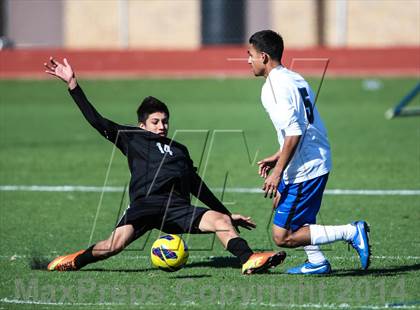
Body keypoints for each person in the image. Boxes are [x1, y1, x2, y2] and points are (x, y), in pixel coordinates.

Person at [44, 57, 286, 275]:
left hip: (176, 209)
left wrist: (225, 212)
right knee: (111, 247)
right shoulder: (132, 137)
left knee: (220, 222)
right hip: (144, 207)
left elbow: (196, 185)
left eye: (165, 121)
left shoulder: (179, 149)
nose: (161, 126)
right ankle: (74, 261)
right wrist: (73, 85)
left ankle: (249, 259)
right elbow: (97, 121)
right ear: (142, 125)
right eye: (155, 122)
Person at [247, 30, 371, 274]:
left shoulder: (272, 89)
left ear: (263, 56)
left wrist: (278, 172)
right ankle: (316, 262)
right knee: (281, 203)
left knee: (282, 236)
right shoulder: (294, 77)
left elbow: (295, 131)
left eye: (250, 55)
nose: (248, 61)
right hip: (310, 156)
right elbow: (302, 125)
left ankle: (351, 231)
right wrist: (278, 155)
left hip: (306, 166)